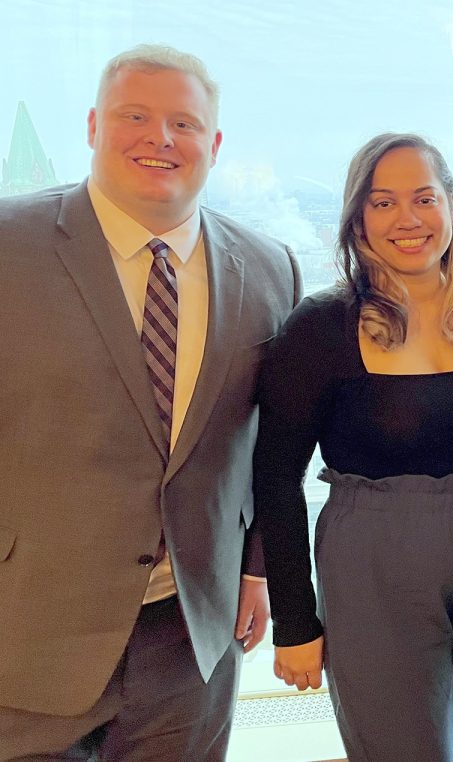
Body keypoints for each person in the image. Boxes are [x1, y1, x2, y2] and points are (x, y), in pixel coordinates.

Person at [0, 45, 300, 760]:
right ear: (94, 125)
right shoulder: (10, 247)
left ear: (214, 144)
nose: (160, 139)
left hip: (191, 645)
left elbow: (271, 443)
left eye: (183, 124)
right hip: (27, 630)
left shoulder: (269, 269)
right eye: (135, 116)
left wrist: (257, 565)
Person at [253, 133, 453, 762]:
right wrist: (295, 623)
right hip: (373, 565)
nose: (408, 219)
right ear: (357, 221)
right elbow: (274, 477)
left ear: (451, 207)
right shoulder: (320, 328)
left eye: (424, 198)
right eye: (383, 203)